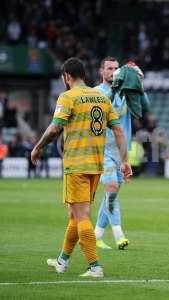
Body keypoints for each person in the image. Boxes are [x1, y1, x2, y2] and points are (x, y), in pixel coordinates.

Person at [31, 57, 132, 277]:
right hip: (96, 165)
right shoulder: (102, 97)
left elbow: (54, 129)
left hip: (76, 164)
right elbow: (119, 131)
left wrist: (38, 147)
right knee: (74, 215)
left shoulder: (68, 97)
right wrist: (124, 160)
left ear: (67, 76)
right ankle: (62, 261)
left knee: (82, 215)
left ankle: (95, 266)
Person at [93, 57, 146, 250]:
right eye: (109, 68)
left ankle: (96, 235)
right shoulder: (97, 93)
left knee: (110, 195)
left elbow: (144, 107)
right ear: (101, 71)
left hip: (122, 151)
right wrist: (117, 87)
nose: (113, 71)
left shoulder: (126, 92)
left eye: (116, 68)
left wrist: (139, 82)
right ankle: (119, 234)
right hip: (103, 149)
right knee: (112, 189)